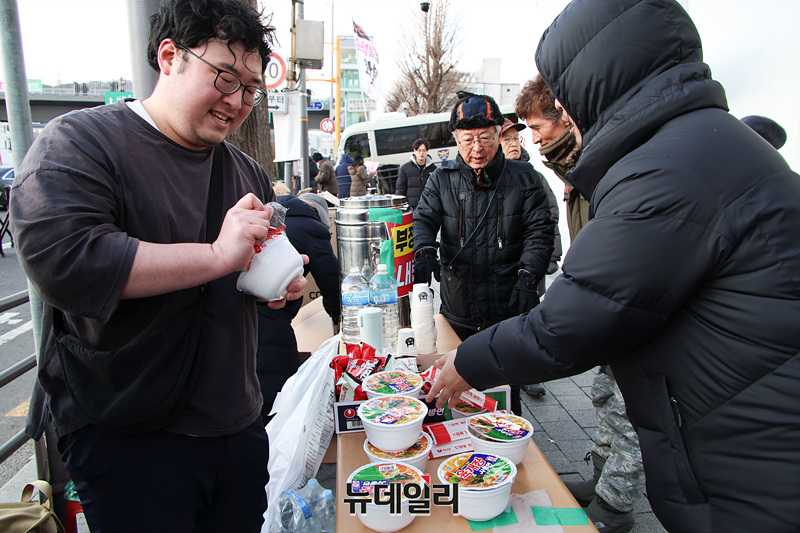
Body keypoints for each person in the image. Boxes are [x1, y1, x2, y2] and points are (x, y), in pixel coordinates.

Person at [427, 1, 800, 532]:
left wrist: (468, 361)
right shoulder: (694, 140)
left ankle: (615, 501)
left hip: (760, 463)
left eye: (564, 97)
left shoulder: (665, 169)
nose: (562, 118)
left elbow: (570, 325)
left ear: (598, 81)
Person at [9, 1, 306, 531]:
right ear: (170, 56)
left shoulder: (247, 173)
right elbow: (66, 261)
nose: (237, 101)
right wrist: (217, 255)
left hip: (237, 427)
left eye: (252, 88)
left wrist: (276, 286)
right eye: (224, 76)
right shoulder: (81, 143)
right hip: (130, 435)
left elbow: (245, 276)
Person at [516, 76, 643, 533]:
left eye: (537, 127)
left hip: (628, 308)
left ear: (566, 119)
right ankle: (603, 476)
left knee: (627, 404)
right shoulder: (576, 171)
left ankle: (617, 503)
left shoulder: (602, 169)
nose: (533, 140)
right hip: (604, 300)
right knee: (604, 393)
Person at [413, 91, 555, 416]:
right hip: (458, 308)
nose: (477, 149)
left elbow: (540, 231)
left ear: (499, 135)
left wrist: (529, 275)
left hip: (507, 308)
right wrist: (424, 250)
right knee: (453, 394)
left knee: (504, 397)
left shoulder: (525, 180)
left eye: (485, 139)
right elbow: (424, 218)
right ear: (454, 139)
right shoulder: (441, 179)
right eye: (467, 140)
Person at [257, 193, 340, 424]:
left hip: (240, 309)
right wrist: (336, 315)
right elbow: (331, 279)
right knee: (277, 384)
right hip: (269, 313)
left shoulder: (276, 213)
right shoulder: (312, 227)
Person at [497, 117, 562, 399]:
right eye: (506, 139)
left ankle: (527, 374)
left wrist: (549, 255)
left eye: (515, 139)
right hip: (503, 268)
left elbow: (550, 217)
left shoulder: (532, 175)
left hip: (531, 265)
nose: (514, 144)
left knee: (529, 319)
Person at [396, 137, 437, 207]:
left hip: (429, 207)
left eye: (424, 150)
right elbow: (400, 189)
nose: (421, 153)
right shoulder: (405, 168)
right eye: (419, 150)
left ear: (427, 151)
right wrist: (399, 205)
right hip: (412, 207)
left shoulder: (434, 169)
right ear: (414, 151)